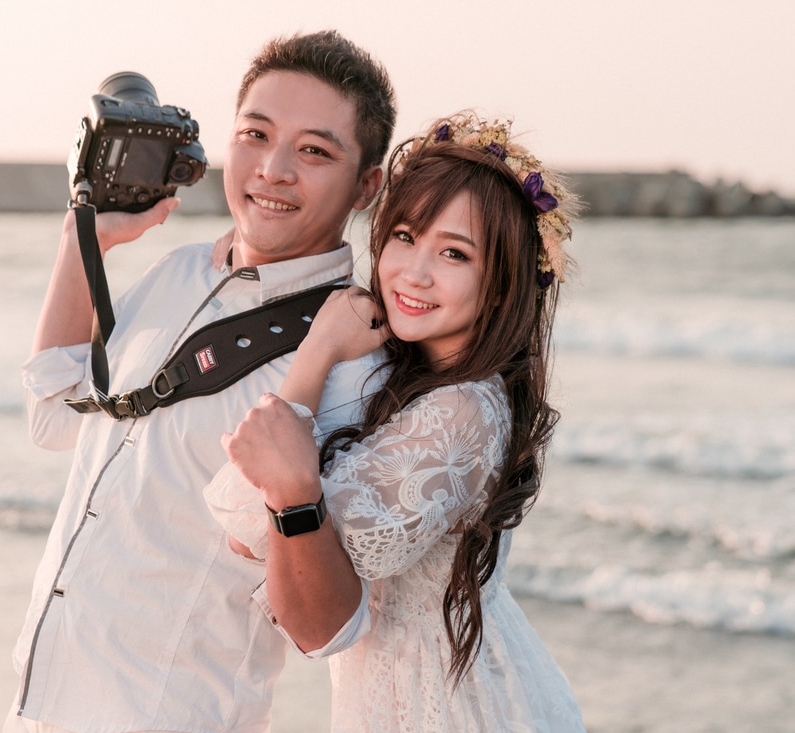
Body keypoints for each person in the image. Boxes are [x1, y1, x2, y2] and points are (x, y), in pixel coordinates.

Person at [5, 30, 396, 733]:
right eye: (256, 133)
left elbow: (328, 624)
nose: (273, 169)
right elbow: (54, 419)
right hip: (39, 704)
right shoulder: (178, 271)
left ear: (367, 184)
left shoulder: (354, 361)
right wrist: (81, 241)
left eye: (314, 150)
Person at [207, 113, 587, 732]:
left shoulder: (460, 412)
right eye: (405, 236)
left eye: (455, 254)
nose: (414, 271)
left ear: (499, 284)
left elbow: (271, 546)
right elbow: (258, 519)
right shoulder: (413, 381)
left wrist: (319, 350)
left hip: (452, 709)